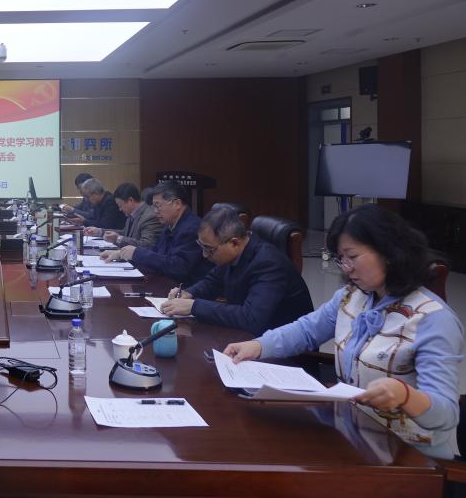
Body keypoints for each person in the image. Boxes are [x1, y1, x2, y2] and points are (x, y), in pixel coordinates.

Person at [224, 204, 464, 459]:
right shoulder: (352, 296)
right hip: (356, 437)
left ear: (388, 252)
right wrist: (259, 345)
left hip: (410, 456)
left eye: (352, 256)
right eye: (341, 259)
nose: (346, 268)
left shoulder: (433, 319)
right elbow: (307, 330)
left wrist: (405, 396)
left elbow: (446, 414)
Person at [159, 206, 313, 335]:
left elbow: (251, 319)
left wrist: (194, 306)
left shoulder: (269, 264)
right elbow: (213, 282)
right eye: (202, 247)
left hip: (283, 349)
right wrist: (189, 293)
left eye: (209, 249)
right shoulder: (235, 253)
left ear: (234, 243)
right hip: (249, 338)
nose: (205, 255)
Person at [100, 181, 210, 285]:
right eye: (154, 206)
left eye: (158, 206)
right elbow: (157, 250)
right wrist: (122, 253)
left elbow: (177, 267)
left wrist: (137, 253)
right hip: (167, 284)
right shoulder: (170, 224)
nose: (155, 211)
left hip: (185, 290)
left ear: (177, 204)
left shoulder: (191, 228)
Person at [85, 183, 161, 248]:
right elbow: (125, 233)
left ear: (130, 200)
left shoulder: (149, 217)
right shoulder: (132, 214)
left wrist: (118, 239)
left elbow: (147, 245)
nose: (120, 209)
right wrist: (99, 232)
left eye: (120, 205)